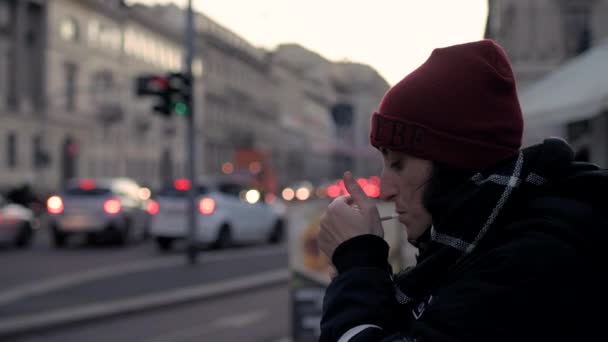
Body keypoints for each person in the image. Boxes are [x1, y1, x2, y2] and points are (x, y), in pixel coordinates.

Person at [318, 39, 608, 341]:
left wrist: (357, 264)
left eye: (398, 164)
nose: (386, 190)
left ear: (453, 165)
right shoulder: (478, 241)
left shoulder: (532, 261)